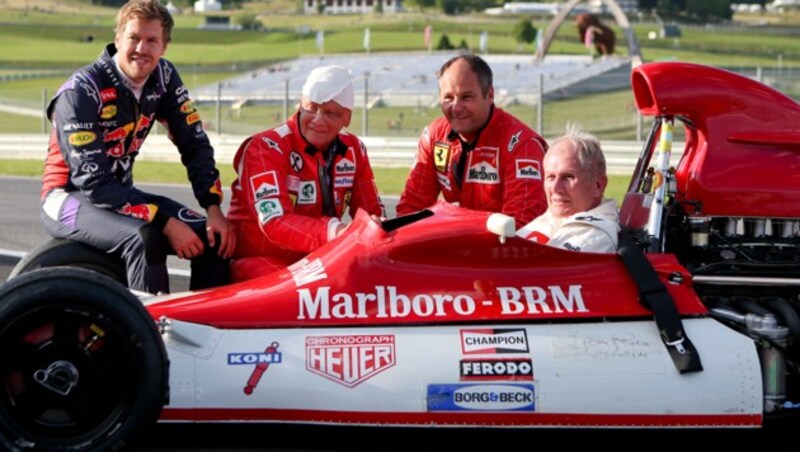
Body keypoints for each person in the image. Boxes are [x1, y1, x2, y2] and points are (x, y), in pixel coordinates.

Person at [40, 0, 235, 294]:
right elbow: (93, 183)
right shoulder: (81, 90)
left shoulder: (164, 77)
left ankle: (202, 331)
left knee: (214, 238)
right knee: (145, 238)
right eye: (134, 38)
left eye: (152, 40)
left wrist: (213, 206)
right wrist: (165, 222)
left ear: (164, 47)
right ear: (118, 39)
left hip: (121, 197)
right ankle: (150, 335)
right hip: (68, 197)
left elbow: (193, 142)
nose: (142, 49)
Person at [227, 65, 385, 282]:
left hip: (321, 259)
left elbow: (371, 214)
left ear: (347, 118)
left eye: (330, 113)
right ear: (300, 106)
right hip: (258, 259)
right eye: (311, 108)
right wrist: (335, 231)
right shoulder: (265, 147)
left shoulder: (354, 149)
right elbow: (274, 221)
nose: (318, 120)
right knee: (301, 293)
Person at [396, 54, 548, 227]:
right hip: (464, 244)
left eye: (466, 97)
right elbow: (411, 210)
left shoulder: (522, 146)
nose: (456, 108)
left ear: (490, 95)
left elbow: (521, 227)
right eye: (448, 98)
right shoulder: (434, 136)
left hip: (504, 249)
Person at [516, 125, 619, 253]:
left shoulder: (596, 234)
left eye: (567, 177)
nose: (555, 188)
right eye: (550, 177)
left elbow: (544, 271)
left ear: (598, 185)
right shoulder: (551, 217)